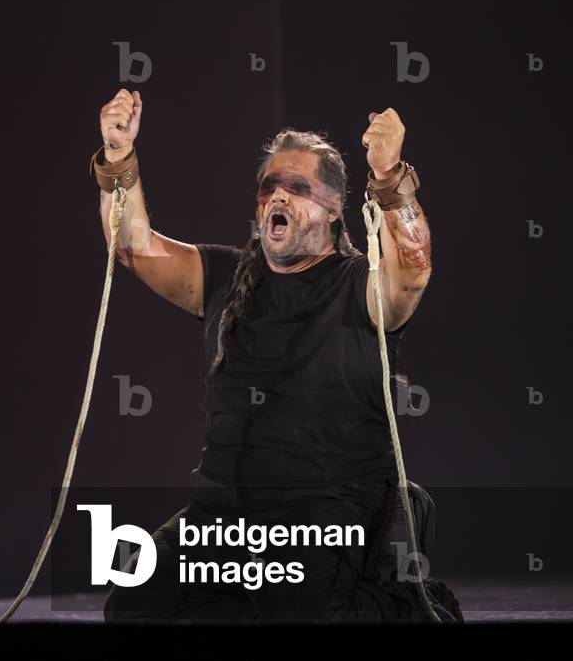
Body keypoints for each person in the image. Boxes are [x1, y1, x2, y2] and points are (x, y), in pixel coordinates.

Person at [91, 89, 462, 623]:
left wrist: (389, 177)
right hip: (222, 511)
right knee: (133, 605)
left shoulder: (360, 287)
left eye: (298, 188)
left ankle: (408, 601)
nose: (278, 198)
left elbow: (414, 269)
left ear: (334, 210)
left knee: (306, 611)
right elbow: (132, 245)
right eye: (269, 188)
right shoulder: (222, 275)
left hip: (325, 506)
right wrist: (118, 159)